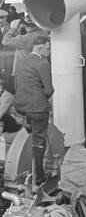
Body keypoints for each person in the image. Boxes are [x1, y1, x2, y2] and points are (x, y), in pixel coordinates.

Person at [14, 36, 53, 186]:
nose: (49, 51)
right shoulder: (42, 64)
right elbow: (49, 90)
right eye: (47, 48)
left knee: (32, 128)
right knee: (39, 141)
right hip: (37, 109)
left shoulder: (21, 62)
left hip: (21, 107)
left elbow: (17, 84)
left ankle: (28, 126)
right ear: (39, 47)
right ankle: (39, 177)